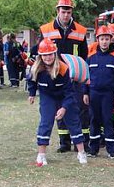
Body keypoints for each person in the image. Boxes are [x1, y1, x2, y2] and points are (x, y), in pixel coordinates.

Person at [27, 38, 87, 166]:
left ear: (55, 54)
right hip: (47, 96)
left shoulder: (63, 69)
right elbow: (31, 81)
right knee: (46, 122)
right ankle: (41, 155)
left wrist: (64, 107)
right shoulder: (36, 68)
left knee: (73, 120)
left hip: (64, 96)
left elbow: (70, 92)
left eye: (50, 54)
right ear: (40, 56)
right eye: (44, 55)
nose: (47, 57)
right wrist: (32, 94)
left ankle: (81, 153)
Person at [40, 0, 89, 152]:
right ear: (58, 11)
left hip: (75, 76)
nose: (66, 15)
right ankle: (64, 142)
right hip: (56, 76)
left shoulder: (80, 31)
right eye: (63, 11)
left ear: (71, 12)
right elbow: (41, 53)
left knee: (78, 107)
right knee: (59, 107)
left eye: (68, 12)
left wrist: (82, 74)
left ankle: (80, 142)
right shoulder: (46, 30)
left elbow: (84, 55)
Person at [85, 26, 114, 159]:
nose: (105, 42)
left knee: (108, 121)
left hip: (108, 94)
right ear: (98, 40)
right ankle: (93, 149)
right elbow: (86, 76)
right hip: (93, 93)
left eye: (107, 39)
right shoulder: (91, 57)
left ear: (111, 40)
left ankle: (111, 150)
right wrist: (85, 93)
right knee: (94, 120)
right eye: (102, 39)